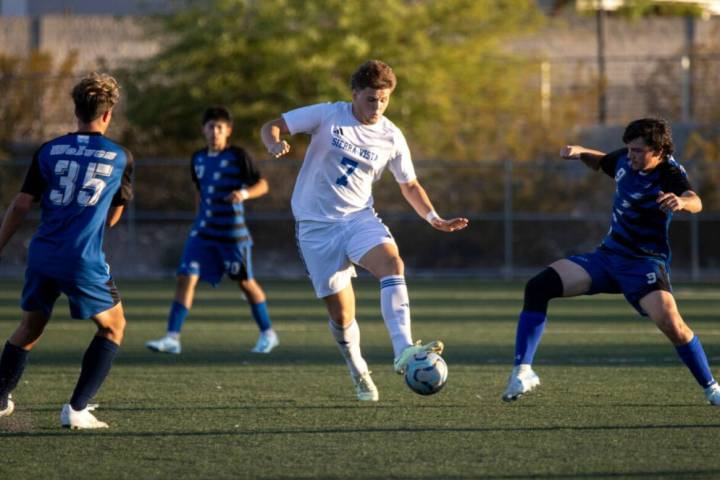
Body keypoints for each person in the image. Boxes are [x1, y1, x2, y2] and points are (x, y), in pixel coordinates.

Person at [260, 60, 468, 402]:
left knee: (392, 264)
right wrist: (273, 143)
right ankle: (358, 369)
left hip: (359, 219)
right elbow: (272, 126)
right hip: (316, 228)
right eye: (371, 99)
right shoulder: (328, 115)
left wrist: (434, 218)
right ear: (355, 94)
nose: (378, 106)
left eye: (384, 100)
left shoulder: (391, 136)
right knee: (342, 316)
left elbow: (410, 185)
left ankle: (403, 349)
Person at [502, 117, 720, 406]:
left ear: (660, 151)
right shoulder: (624, 160)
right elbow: (602, 161)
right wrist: (579, 151)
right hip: (607, 257)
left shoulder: (669, 172)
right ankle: (523, 372)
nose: (631, 156)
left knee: (673, 326)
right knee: (538, 287)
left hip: (644, 264)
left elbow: (695, 199)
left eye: (638, 151)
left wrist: (681, 203)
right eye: (629, 149)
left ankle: (712, 388)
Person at [0, 73, 134, 428]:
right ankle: (77, 409)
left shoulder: (48, 150)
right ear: (107, 115)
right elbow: (115, 214)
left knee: (29, 327)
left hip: (42, 254)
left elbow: (20, 206)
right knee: (114, 327)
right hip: (81, 258)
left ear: (75, 110)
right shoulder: (119, 157)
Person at [145, 106, 278, 355]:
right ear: (203, 130)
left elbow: (263, 184)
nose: (215, 132)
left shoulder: (238, 156)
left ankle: (268, 334)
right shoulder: (197, 158)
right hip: (203, 234)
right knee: (185, 278)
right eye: (210, 127)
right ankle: (172, 338)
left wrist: (244, 193)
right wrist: (198, 220)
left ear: (228, 131)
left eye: (220, 127)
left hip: (232, 236)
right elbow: (200, 192)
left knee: (246, 284)